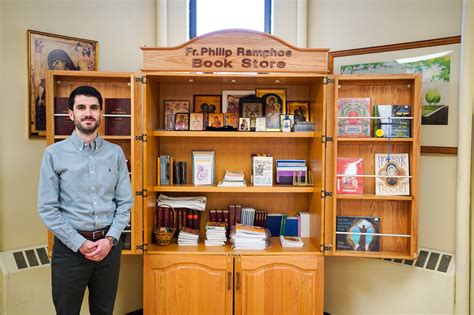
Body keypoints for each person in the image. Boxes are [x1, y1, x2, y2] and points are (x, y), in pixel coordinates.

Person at [38, 85, 133, 315]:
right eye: (81, 107)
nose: (88, 113)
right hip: (70, 250)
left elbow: (125, 203)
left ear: (101, 113)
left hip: (108, 250)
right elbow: (47, 209)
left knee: (104, 311)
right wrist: (79, 243)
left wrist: (110, 240)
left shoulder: (116, 153)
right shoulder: (54, 154)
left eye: (93, 108)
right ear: (71, 113)